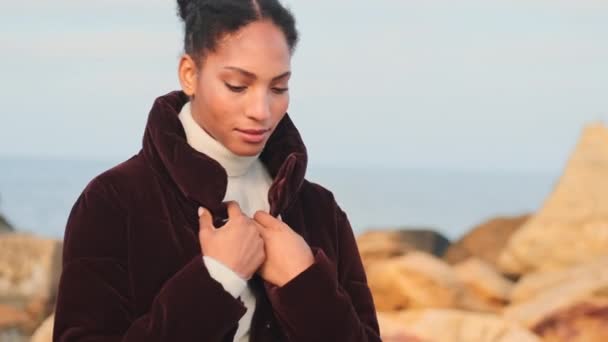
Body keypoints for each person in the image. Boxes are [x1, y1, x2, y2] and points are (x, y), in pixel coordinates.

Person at [52, 0, 380, 341]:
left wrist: (305, 286)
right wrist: (218, 280)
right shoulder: (113, 202)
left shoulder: (320, 210)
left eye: (279, 87)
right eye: (238, 85)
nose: (261, 111)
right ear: (190, 75)